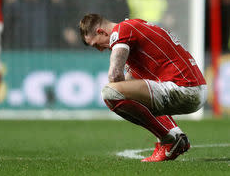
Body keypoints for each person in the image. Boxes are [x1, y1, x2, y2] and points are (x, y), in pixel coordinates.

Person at [79, 14, 207, 162]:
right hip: (193, 89)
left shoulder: (121, 31)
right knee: (122, 93)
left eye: (96, 44)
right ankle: (174, 137)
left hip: (184, 89)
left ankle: (170, 139)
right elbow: (130, 81)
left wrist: (122, 96)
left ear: (102, 32)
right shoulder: (134, 27)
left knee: (109, 93)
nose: (100, 50)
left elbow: (114, 75)